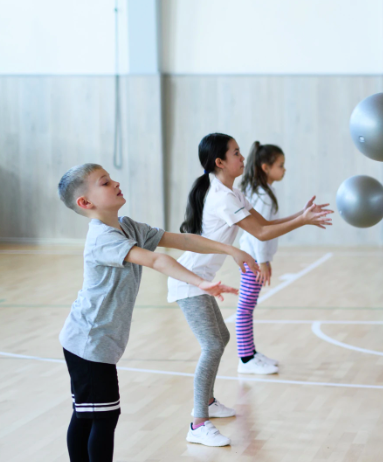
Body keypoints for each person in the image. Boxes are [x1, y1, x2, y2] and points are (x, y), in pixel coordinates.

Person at [56, 164, 249, 461]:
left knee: (88, 414)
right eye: (105, 182)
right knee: (102, 418)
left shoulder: (127, 226)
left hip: (95, 342)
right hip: (89, 342)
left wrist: (230, 249)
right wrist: (201, 282)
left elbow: (183, 240)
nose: (116, 181)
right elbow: (157, 261)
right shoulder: (102, 238)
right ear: (85, 202)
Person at [170, 133, 332, 446]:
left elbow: (264, 224)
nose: (242, 158)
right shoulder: (222, 197)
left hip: (201, 278)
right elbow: (259, 232)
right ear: (220, 162)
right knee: (213, 345)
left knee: (222, 338)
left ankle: (208, 402)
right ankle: (197, 423)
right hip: (189, 280)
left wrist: (302, 216)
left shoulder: (231, 192)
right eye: (235, 153)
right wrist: (304, 221)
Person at [235, 141, 295, 375]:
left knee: (248, 307)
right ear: (265, 168)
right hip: (252, 259)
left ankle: (250, 352)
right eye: (280, 165)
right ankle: (246, 359)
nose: (284, 169)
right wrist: (262, 261)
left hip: (254, 258)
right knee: (245, 308)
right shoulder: (262, 196)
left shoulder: (263, 192)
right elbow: (257, 231)